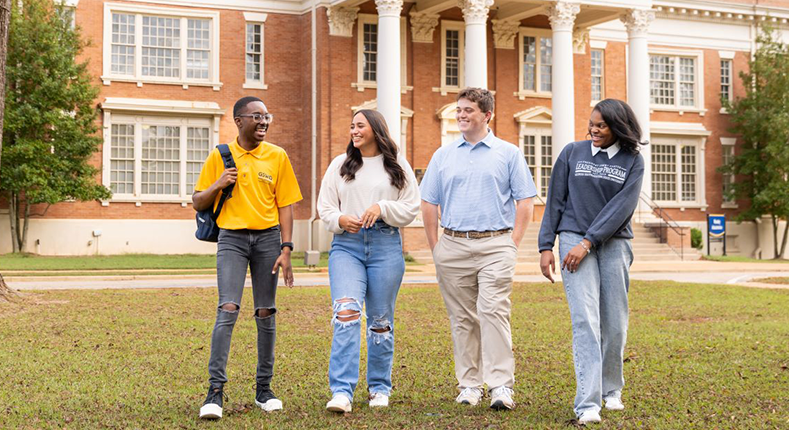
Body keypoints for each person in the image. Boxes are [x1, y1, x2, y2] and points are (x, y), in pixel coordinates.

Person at [420, 87, 538, 411]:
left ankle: (501, 385)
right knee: (462, 318)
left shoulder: (508, 153)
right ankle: (470, 385)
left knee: (492, 310)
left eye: (468, 110)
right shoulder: (443, 155)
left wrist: (512, 243)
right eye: (459, 109)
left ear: (487, 115)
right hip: (453, 244)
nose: (461, 115)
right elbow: (428, 201)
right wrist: (436, 248)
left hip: (496, 244)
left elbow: (525, 200)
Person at [193, 96, 303, 421]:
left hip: (269, 239)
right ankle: (215, 392)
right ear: (239, 121)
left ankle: (264, 389)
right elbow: (198, 200)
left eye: (267, 116)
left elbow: (286, 204)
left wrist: (287, 248)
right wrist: (219, 183)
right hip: (232, 239)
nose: (264, 122)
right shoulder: (221, 155)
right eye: (257, 116)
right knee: (227, 308)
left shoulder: (278, 156)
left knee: (266, 312)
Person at [538, 98, 645, 425]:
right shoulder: (572, 153)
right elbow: (555, 199)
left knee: (614, 321)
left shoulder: (632, 161)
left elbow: (622, 208)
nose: (593, 130)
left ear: (617, 126)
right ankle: (587, 403)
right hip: (571, 237)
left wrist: (589, 241)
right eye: (591, 124)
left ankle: (611, 390)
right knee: (585, 320)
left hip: (613, 244)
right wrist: (546, 245)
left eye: (601, 125)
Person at [317, 109, 420, 413]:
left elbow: (411, 206)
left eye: (360, 125)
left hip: (385, 245)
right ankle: (342, 391)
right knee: (346, 312)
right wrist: (340, 218)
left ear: (375, 129)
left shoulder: (397, 164)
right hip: (347, 247)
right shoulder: (341, 164)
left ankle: (378, 388)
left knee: (380, 322)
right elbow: (325, 208)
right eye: (351, 126)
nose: (354, 130)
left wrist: (382, 206)